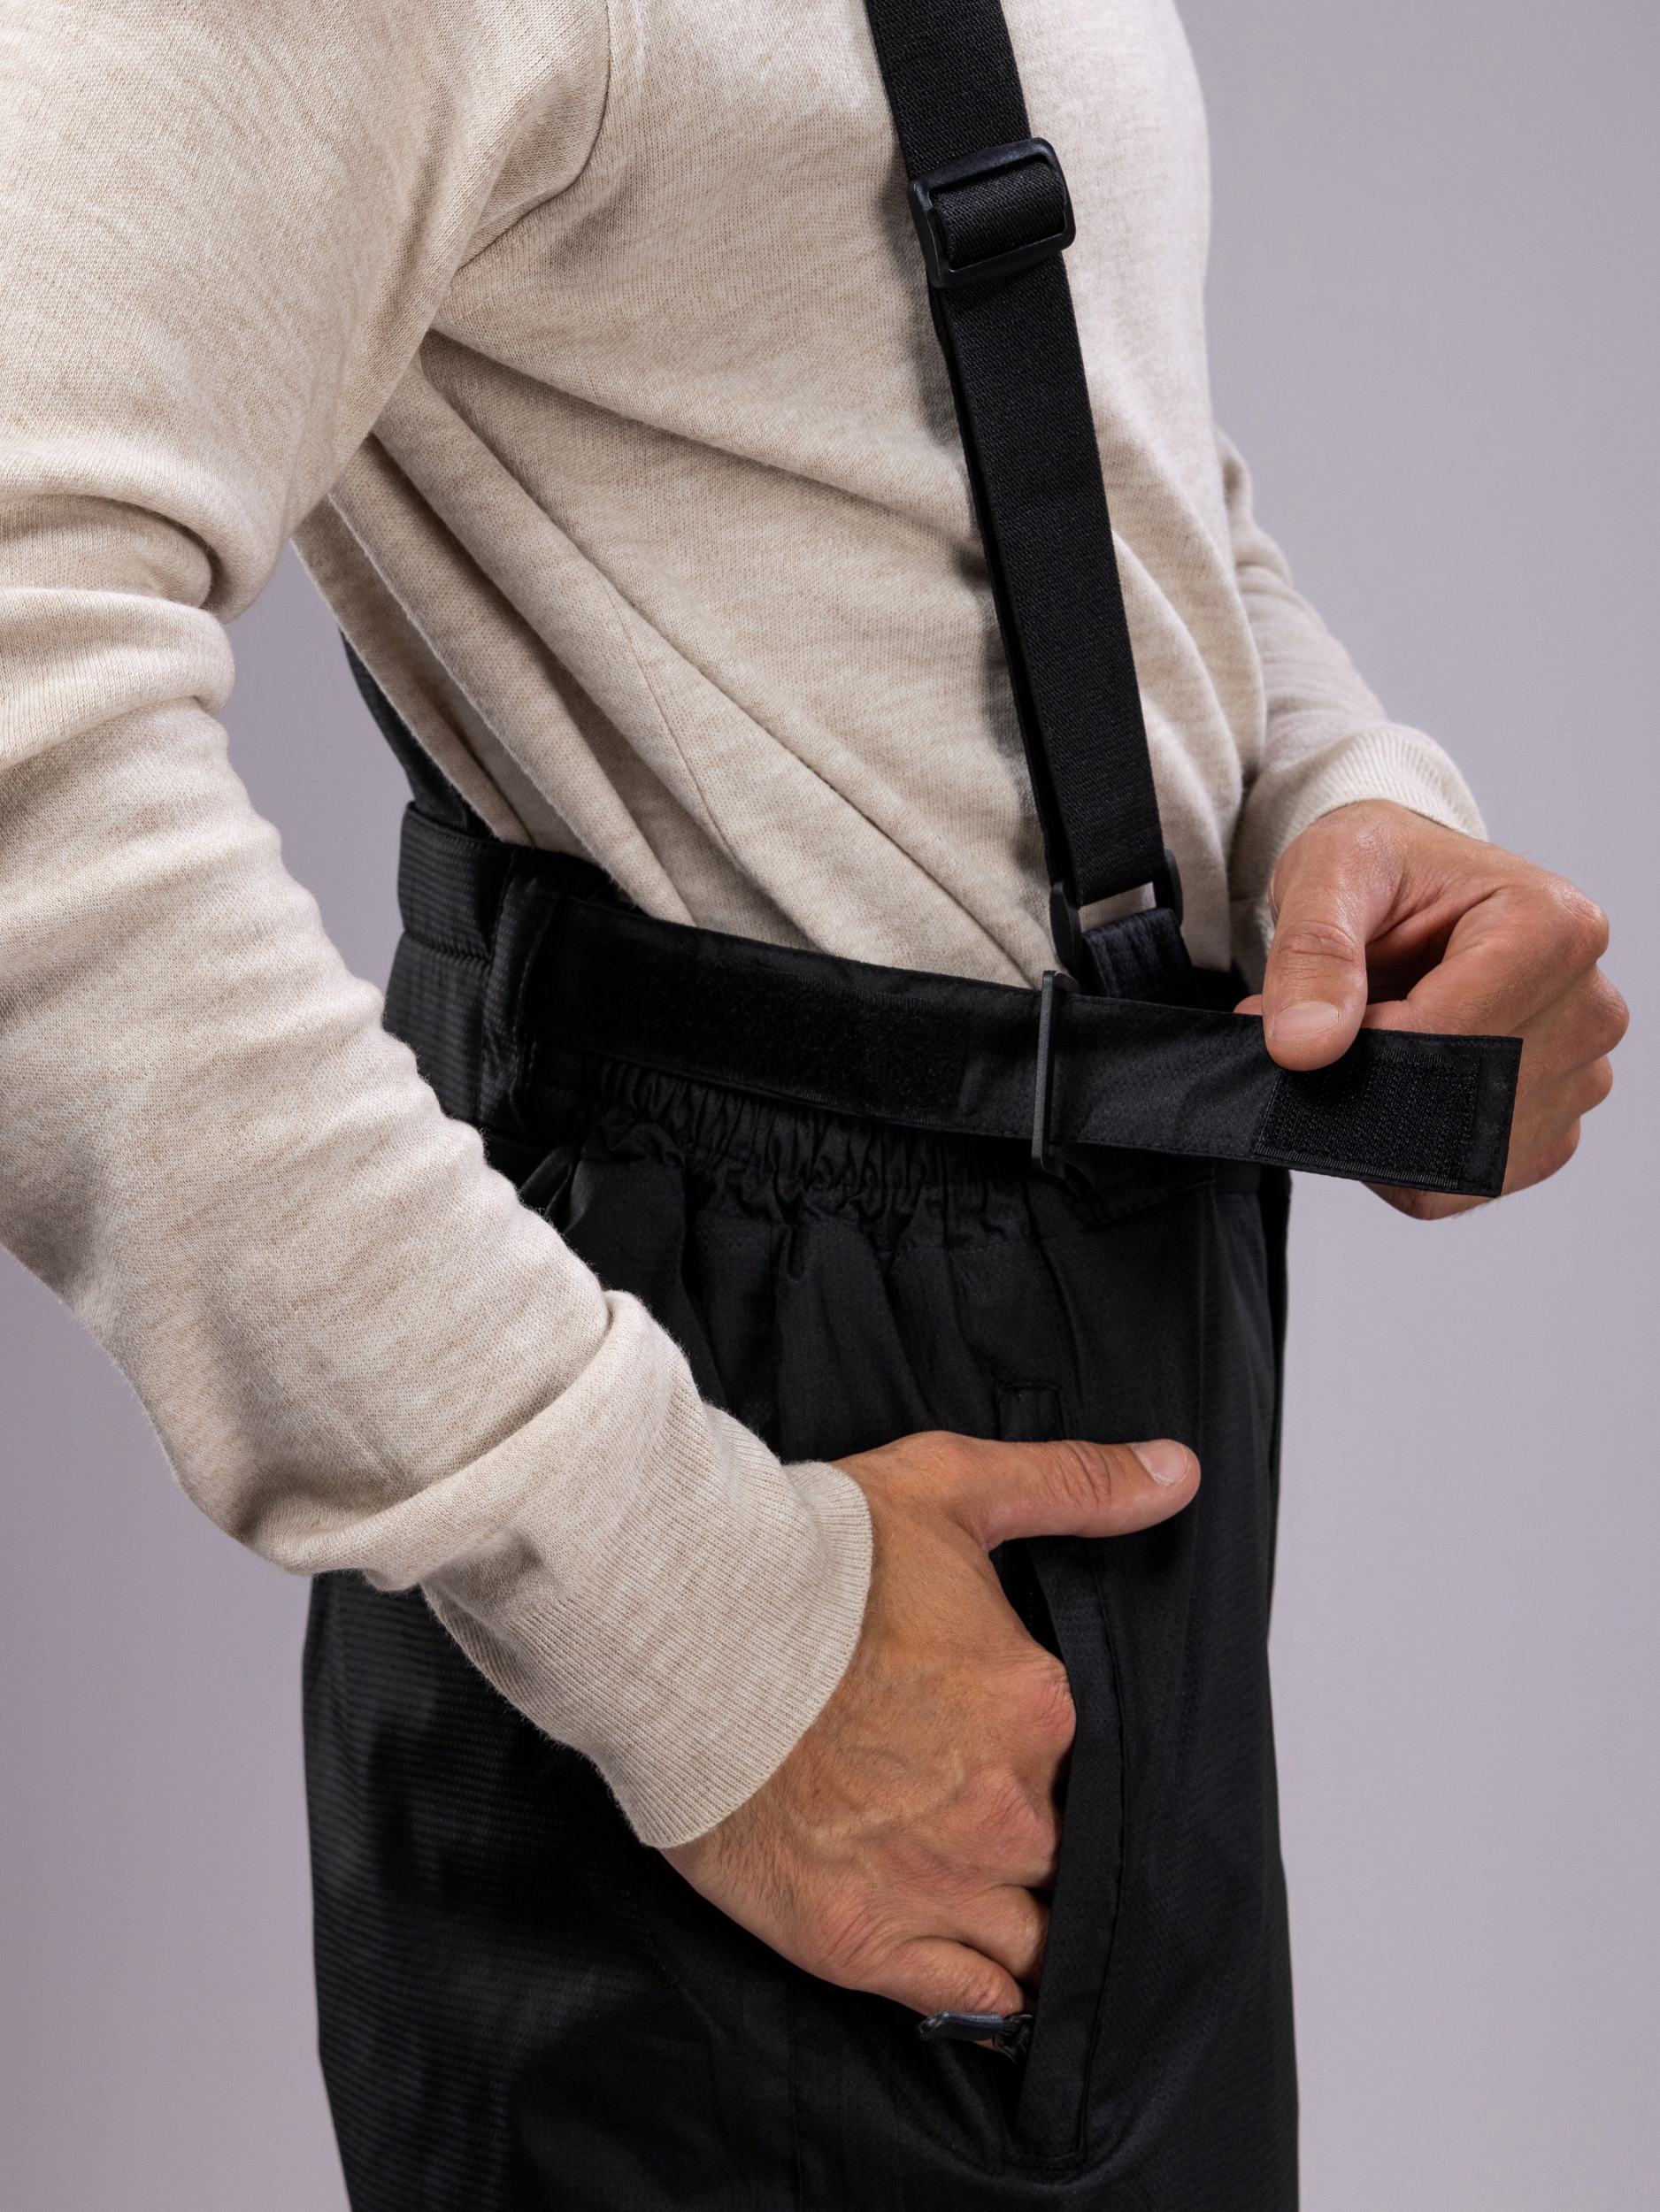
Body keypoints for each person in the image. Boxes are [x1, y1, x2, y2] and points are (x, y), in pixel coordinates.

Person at [0, 0, 1625, 2205]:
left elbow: (1065, 421)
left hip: (1092, 1340)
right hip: (755, 1429)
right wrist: (704, 1627)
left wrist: (1335, 794)